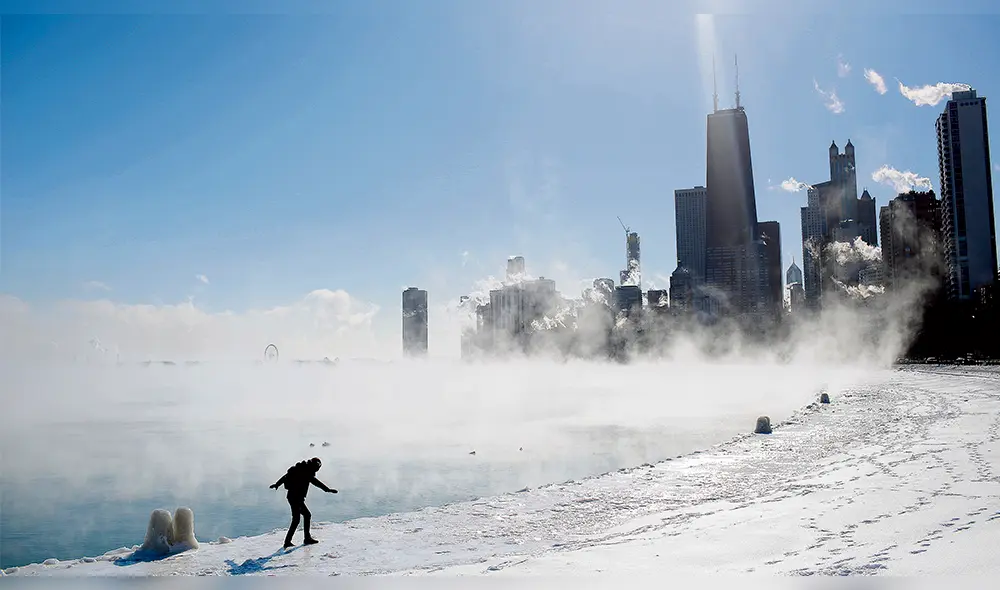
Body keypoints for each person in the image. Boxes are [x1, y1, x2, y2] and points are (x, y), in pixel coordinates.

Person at [269, 457, 338, 549]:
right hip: (296, 498)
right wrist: (328, 490)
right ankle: (301, 539)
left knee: (301, 517)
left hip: (292, 497)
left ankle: (293, 540)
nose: (317, 470)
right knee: (302, 517)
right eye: (318, 468)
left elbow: (285, 477)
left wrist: (277, 484)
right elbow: (316, 483)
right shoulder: (307, 472)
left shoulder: (300, 468)